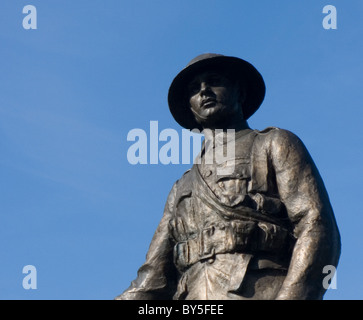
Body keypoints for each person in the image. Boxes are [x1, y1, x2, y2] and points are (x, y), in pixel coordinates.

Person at [116, 53, 341, 300]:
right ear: (190, 107)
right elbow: (153, 278)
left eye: (214, 81)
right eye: (194, 88)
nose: (204, 91)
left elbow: (316, 225)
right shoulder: (181, 188)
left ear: (240, 92)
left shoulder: (273, 144)